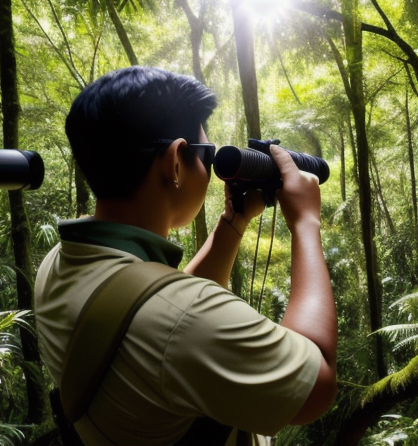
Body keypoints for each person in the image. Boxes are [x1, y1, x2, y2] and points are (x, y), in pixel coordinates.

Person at [34, 66, 337, 446]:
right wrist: (306, 223)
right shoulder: (183, 318)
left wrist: (233, 222)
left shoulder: (59, 262)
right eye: (207, 157)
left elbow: (142, 304)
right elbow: (318, 382)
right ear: (176, 162)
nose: (211, 171)